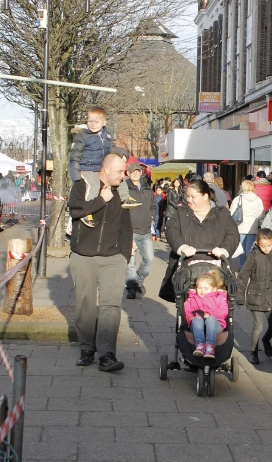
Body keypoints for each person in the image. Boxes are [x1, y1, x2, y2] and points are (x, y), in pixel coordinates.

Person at [68, 154, 133, 372]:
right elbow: (75, 209)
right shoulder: (82, 185)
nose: (124, 176)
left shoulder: (121, 193)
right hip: (83, 257)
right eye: (120, 172)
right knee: (85, 306)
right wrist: (100, 201)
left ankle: (107, 354)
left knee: (110, 307)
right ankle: (87, 350)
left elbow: (126, 227)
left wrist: (124, 257)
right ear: (105, 170)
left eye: (124, 172)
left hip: (113, 259)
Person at [160, 180, 240, 302]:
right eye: (187, 196)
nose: (189, 200)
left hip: (216, 268)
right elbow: (171, 230)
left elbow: (232, 234)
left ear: (205, 196)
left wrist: (224, 250)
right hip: (187, 268)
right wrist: (182, 247)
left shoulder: (222, 214)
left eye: (193, 197)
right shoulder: (181, 212)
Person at [69, 106, 137, 228]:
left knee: (120, 179)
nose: (93, 124)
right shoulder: (83, 137)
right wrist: (75, 175)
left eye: (96, 122)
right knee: (94, 184)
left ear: (104, 122)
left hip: (100, 167)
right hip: (87, 168)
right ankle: (87, 212)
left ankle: (125, 198)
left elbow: (110, 149)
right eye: (90, 121)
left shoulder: (107, 136)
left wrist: (122, 153)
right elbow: (74, 156)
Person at [237, 228, 272, 365]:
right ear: (257, 243)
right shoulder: (253, 256)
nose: (266, 249)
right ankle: (253, 352)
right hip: (255, 295)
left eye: (269, 245)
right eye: (263, 246)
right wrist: (239, 296)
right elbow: (243, 277)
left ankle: (266, 340)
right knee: (258, 326)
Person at [124, 164, 157, 300]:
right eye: (133, 172)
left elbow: (153, 206)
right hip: (130, 231)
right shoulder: (124, 187)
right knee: (130, 263)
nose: (136, 174)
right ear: (128, 173)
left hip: (145, 231)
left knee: (149, 259)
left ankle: (139, 281)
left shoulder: (147, 188)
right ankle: (132, 288)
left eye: (138, 171)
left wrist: (151, 216)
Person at [183, 270, 229, 359]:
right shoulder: (193, 297)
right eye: (199, 288)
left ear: (214, 289)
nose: (202, 291)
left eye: (205, 288)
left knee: (211, 319)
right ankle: (200, 345)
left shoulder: (219, 297)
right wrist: (190, 317)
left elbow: (224, 311)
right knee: (196, 319)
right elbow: (187, 310)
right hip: (197, 325)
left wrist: (210, 314)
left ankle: (210, 346)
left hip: (215, 326)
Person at [229, 180, 265, 267]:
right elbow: (261, 214)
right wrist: (260, 224)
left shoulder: (238, 199)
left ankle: (242, 266)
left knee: (241, 248)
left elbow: (231, 213)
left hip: (240, 226)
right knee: (249, 248)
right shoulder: (258, 199)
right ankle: (249, 267)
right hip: (253, 227)